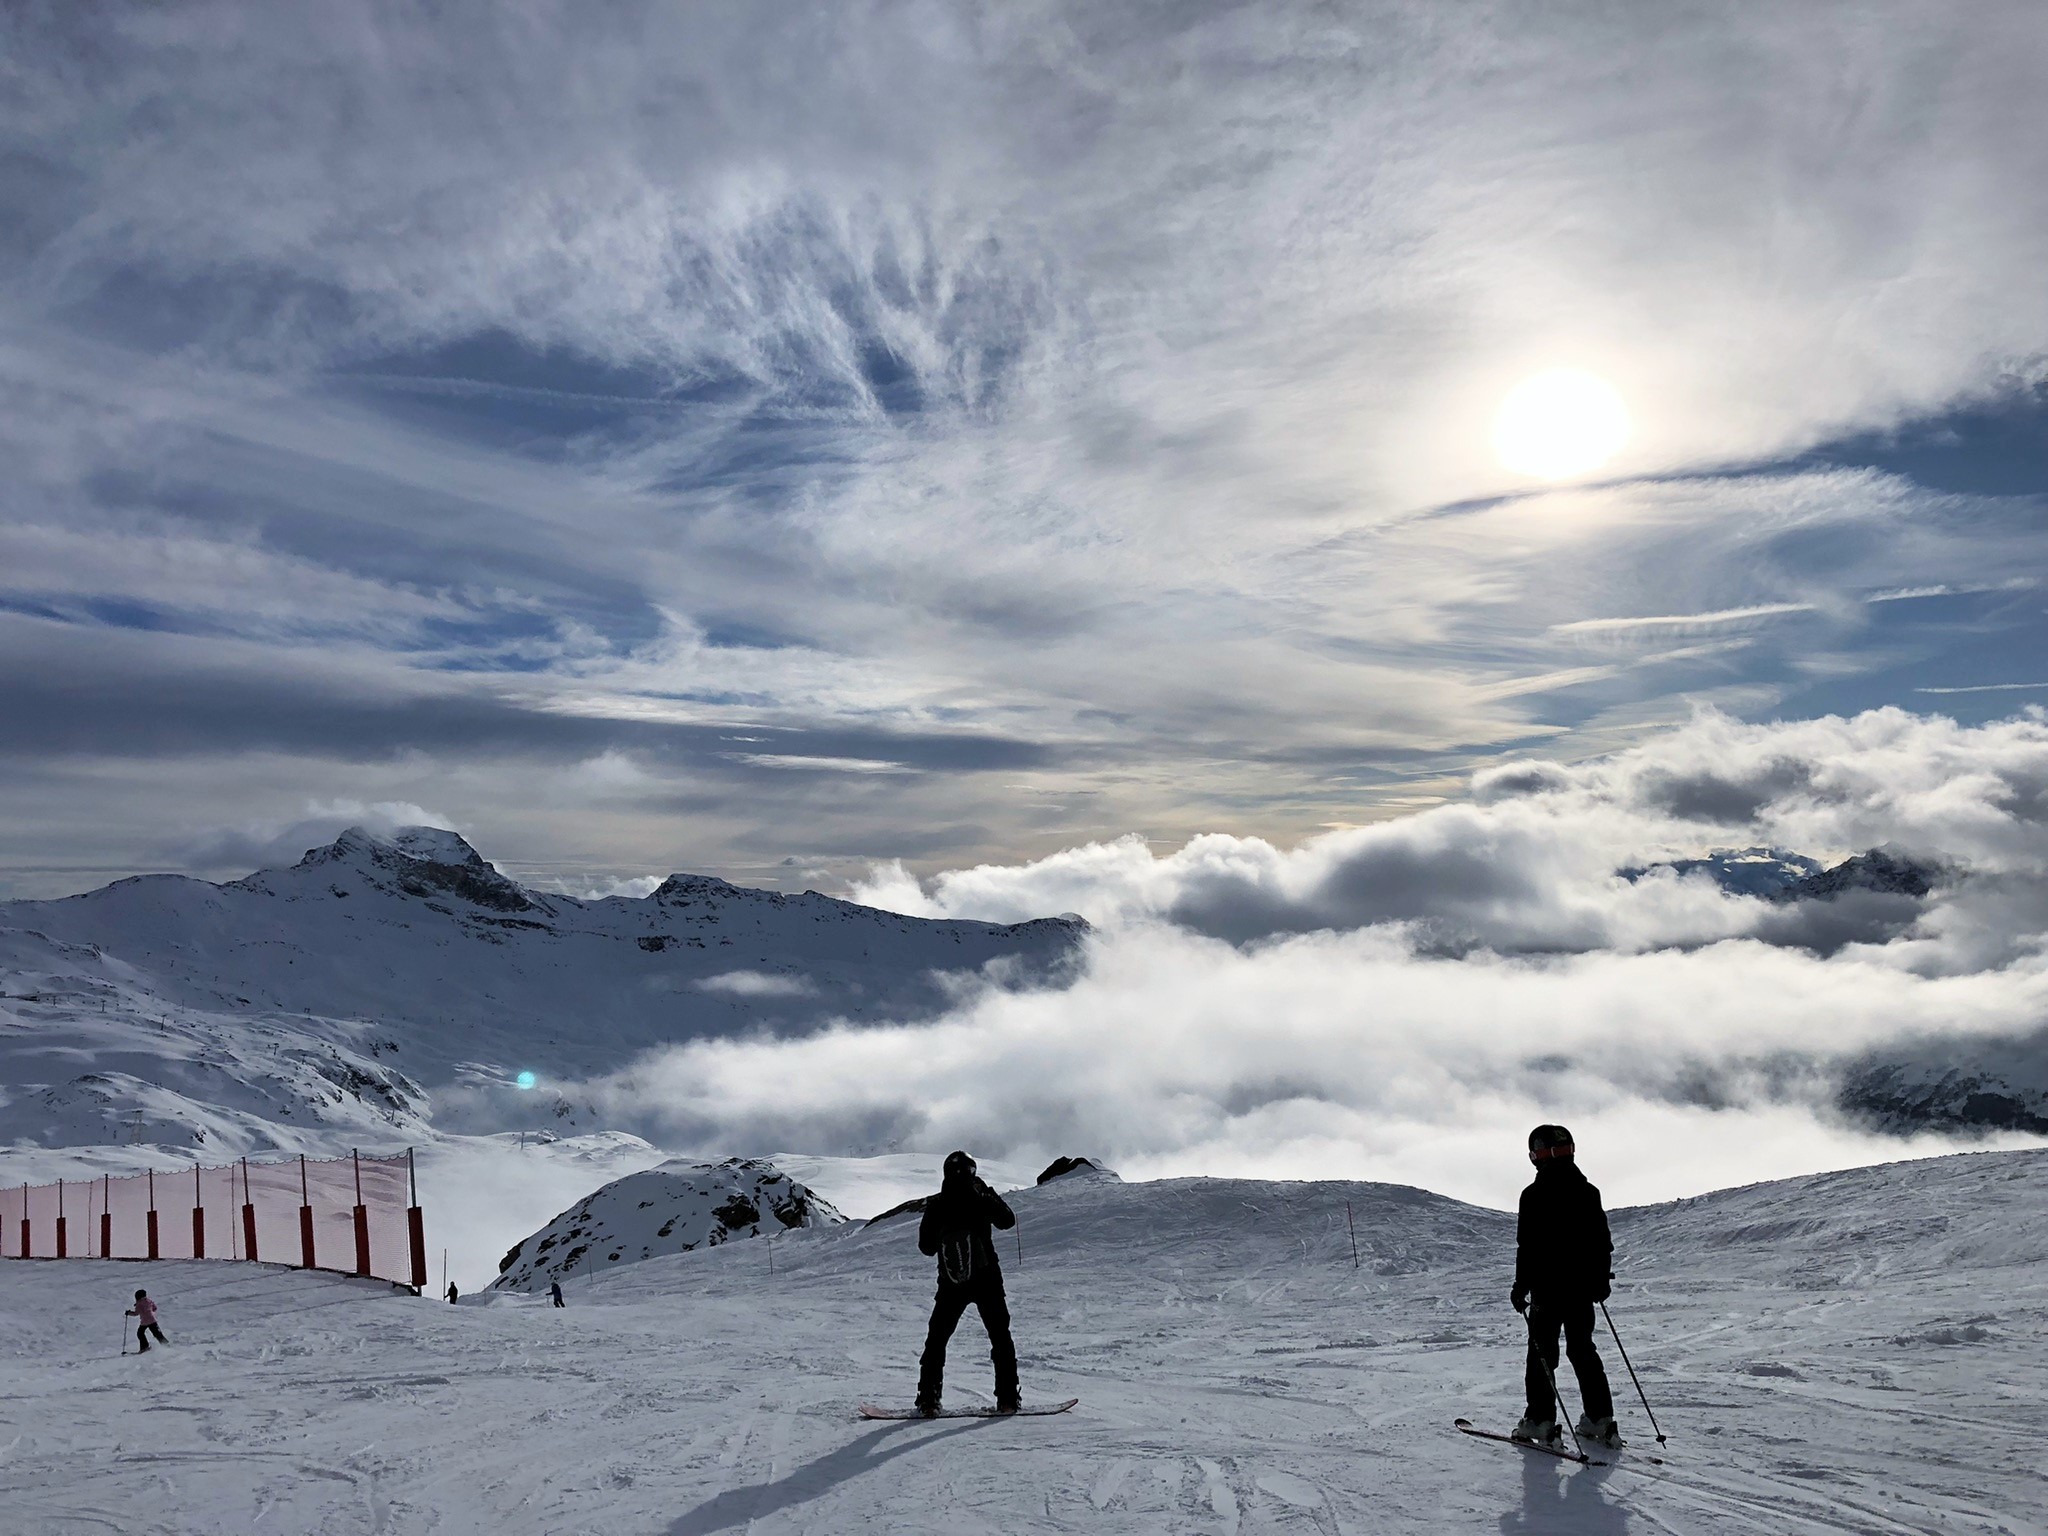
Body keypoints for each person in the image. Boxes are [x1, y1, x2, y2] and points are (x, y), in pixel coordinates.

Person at [1510, 1124, 1620, 1449]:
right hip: (1582, 1290)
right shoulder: (1588, 1192)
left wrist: (1521, 1286)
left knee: (1542, 1354)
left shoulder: (1533, 1196)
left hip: (1548, 1289)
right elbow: (1602, 1242)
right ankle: (1600, 1419)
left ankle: (1541, 1421)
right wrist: (1600, 1280)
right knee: (1582, 1350)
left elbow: (1527, 1247)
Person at [914, 1150, 1020, 1416]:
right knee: (1000, 1337)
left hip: (951, 1282)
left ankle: (928, 1401)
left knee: (936, 1341)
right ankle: (1007, 1399)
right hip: (987, 1278)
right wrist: (987, 1194)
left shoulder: (938, 1203)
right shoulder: (980, 1197)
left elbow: (925, 1247)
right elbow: (1008, 1220)